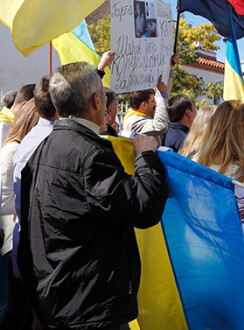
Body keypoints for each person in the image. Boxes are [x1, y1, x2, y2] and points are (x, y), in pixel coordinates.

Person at [17, 62, 169, 329]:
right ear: (97, 100)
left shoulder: (44, 147)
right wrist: (146, 158)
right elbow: (145, 208)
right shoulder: (92, 155)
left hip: (57, 296)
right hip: (89, 306)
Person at [187, 100, 244, 237]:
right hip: (227, 254)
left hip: (195, 248)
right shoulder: (239, 171)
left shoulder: (194, 160)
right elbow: (235, 230)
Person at [0, 99, 40, 329]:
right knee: (17, 307)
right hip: (11, 239)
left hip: (21, 235)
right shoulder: (13, 149)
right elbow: (4, 202)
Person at [122, 75, 169, 143]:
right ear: (144, 105)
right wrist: (161, 94)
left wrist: (170, 71)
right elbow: (161, 126)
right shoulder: (133, 122)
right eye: (153, 101)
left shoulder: (138, 115)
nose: (156, 104)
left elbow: (163, 105)